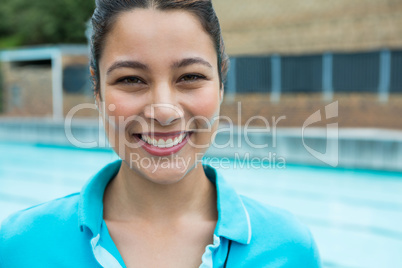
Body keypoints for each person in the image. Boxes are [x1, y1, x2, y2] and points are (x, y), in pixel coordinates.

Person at [0, 0, 321, 267]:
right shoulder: (19, 246)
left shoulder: (289, 249)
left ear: (222, 84)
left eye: (190, 76)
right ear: (97, 90)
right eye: (131, 80)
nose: (164, 111)